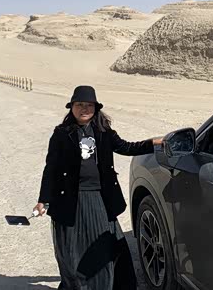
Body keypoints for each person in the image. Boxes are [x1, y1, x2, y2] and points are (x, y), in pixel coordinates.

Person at [33, 85, 163, 290]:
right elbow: (51, 168)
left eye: (89, 105)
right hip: (70, 199)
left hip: (99, 198)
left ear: (95, 108)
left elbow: (127, 147)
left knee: (104, 247)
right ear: (71, 108)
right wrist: (43, 199)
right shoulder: (61, 134)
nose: (84, 109)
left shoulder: (104, 132)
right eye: (79, 105)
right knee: (72, 250)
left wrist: (153, 143)